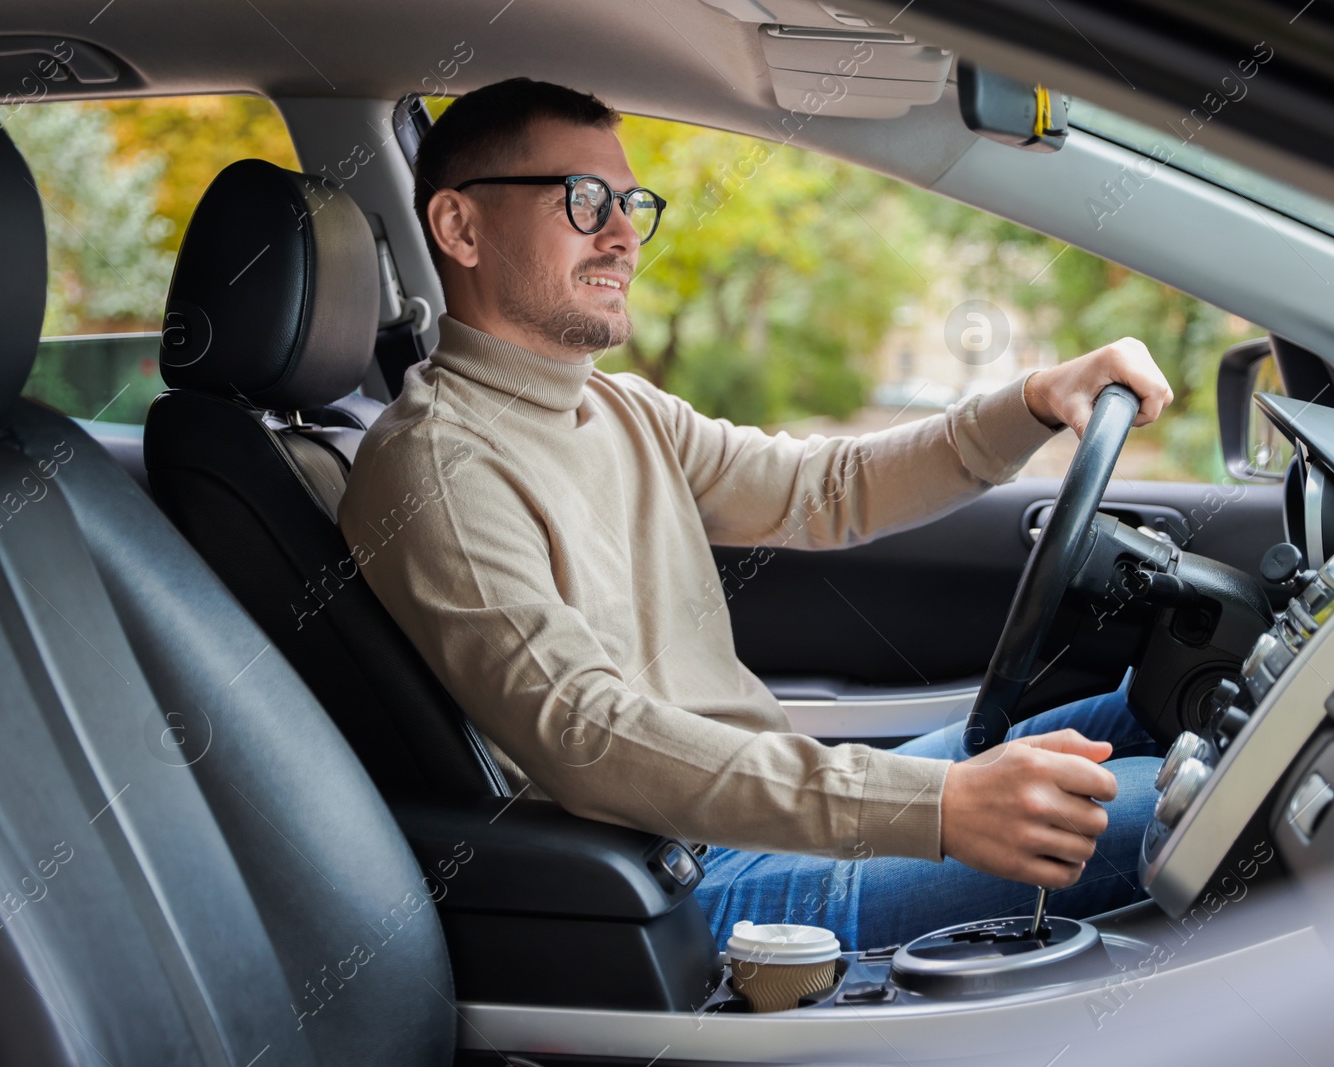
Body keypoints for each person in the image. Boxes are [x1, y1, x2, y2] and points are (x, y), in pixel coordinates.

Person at [340, 77, 1175, 952]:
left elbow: (829, 487)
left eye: (631, 203)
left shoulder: (622, 409)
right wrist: (937, 805)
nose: (623, 234)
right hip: (682, 887)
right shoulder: (435, 466)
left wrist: (1038, 400)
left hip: (760, 822)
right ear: (459, 227)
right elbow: (587, 735)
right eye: (584, 201)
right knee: (1199, 806)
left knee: (1156, 706)